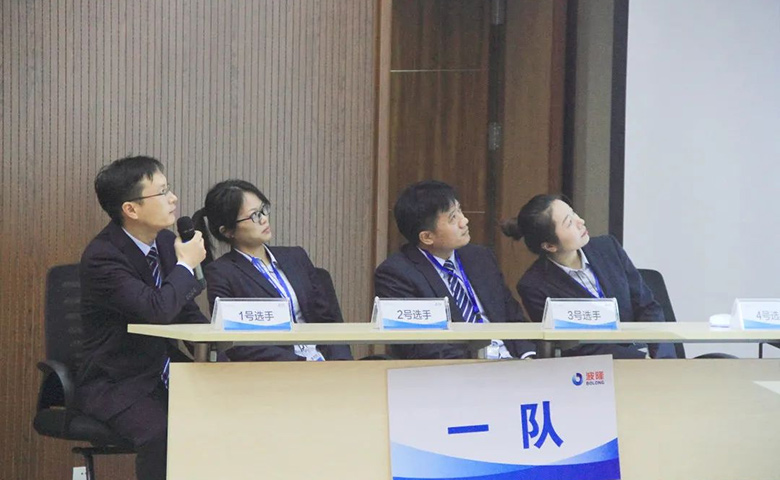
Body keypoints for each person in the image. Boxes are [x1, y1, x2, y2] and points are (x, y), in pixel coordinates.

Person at [76, 156, 208, 480]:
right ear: (131, 209)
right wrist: (185, 266)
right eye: (162, 192)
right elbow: (156, 311)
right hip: (118, 380)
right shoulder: (103, 256)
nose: (173, 198)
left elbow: (184, 311)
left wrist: (215, 338)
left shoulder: (164, 243)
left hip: (167, 370)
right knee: (163, 432)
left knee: (230, 412)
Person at [193, 179, 352, 361]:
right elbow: (238, 345)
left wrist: (341, 363)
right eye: (254, 215)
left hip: (325, 363)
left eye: (264, 209)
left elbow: (329, 320)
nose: (264, 219)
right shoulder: (222, 272)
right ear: (228, 231)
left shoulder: (296, 257)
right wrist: (302, 365)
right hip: (278, 370)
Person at [374, 180, 536, 359]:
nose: (464, 221)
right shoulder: (396, 274)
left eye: (460, 210)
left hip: (511, 363)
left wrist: (527, 356)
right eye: (453, 218)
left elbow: (513, 316)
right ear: (427, 237)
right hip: (456, 368)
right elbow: (421, 346)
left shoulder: (480, 258)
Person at [502, 194, 676, 359]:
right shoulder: (534, 285)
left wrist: (660, 357)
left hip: (650, 356)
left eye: (573, 213)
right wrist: (639, 358)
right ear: (549, 246)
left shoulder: (608, 247)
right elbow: (576, 346)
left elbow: (647, 306)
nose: (581, 221)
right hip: (601, 367)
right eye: (569, 222)